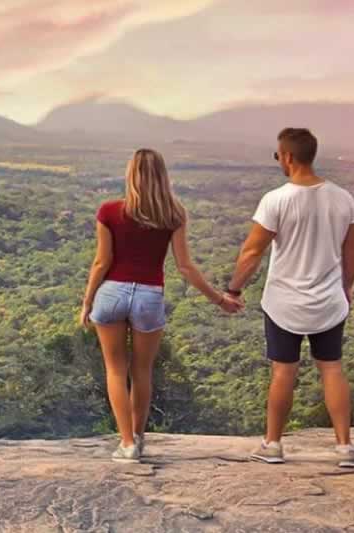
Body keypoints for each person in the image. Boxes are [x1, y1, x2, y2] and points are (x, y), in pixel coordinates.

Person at [80, 148, 243, 464]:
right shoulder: (174, 214)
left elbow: (102, 262)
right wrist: (219, 299)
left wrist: (87, 301)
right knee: (142, 371)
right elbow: (185, 267)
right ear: (162, 177)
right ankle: (138, 438)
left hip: (111, 293)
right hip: (149, 296)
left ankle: (125, 444)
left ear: (131, 175)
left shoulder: (109, 211)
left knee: (115, 370)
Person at [227, 128, 354, 468]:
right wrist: (345, 287)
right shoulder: (343, 198)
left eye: (278, 156)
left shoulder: (276, 200)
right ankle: (345, 448)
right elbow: (352, 253)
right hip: (329, 301)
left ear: (288, 156)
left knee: (283, 373)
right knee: (331, 368)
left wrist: (233, 290)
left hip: (284, 303)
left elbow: (252, 252)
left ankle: (273, 444)